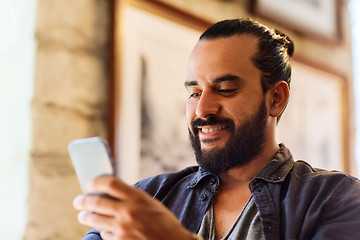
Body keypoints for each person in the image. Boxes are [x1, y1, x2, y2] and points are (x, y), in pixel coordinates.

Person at [73, 18, 360, 240]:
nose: (202, 110)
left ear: (276, 98)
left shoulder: (336, 199)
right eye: (194, 92)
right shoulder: (149, 198)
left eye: (224, 89)